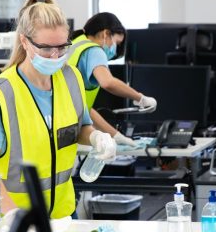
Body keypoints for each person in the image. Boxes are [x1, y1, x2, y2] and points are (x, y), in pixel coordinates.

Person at [0, 0, 117, 217]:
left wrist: (97, 137)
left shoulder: (72, 79)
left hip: (62, 215)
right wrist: (13, 217)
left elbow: (79, 129)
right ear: (24, 41)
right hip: (11, 221)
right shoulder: (2, 94)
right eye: (46, 48)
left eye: (61, 47)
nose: (55, 55)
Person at [67, 12, 157, 146]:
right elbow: (108, 82)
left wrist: (116, 136)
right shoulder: (94, 50)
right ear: (106, 34)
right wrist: (140, 98)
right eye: (117, 42)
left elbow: (85, 108)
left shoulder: (75, 44)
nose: (115, 48)